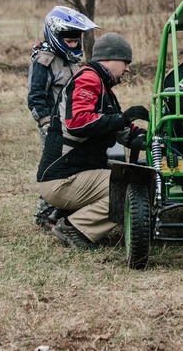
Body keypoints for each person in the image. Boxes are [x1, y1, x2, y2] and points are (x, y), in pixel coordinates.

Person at [36, 32, 149, 249]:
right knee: (129, 186)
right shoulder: (88, 78)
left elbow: (118, 129)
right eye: (126, 62)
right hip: (63, 179)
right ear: (110, 58)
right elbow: (78, 123)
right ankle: (74, 227)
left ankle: (68, 212)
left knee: (132, 174)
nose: (127, 69)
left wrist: (146, 136)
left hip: (74, 174)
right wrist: (124, 117)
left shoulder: (104, 88)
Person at [28, 5, 99, 230]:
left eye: (76, 40)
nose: (74, 44)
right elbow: (36, 96)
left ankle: (66, 207)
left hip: (72, 122)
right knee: (56, 167)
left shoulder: (73, 61)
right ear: (56, 35)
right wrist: (46, 123)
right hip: (53, 125)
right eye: (69, 41)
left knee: (75, 164)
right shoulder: (44, 61)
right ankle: (45, 215)